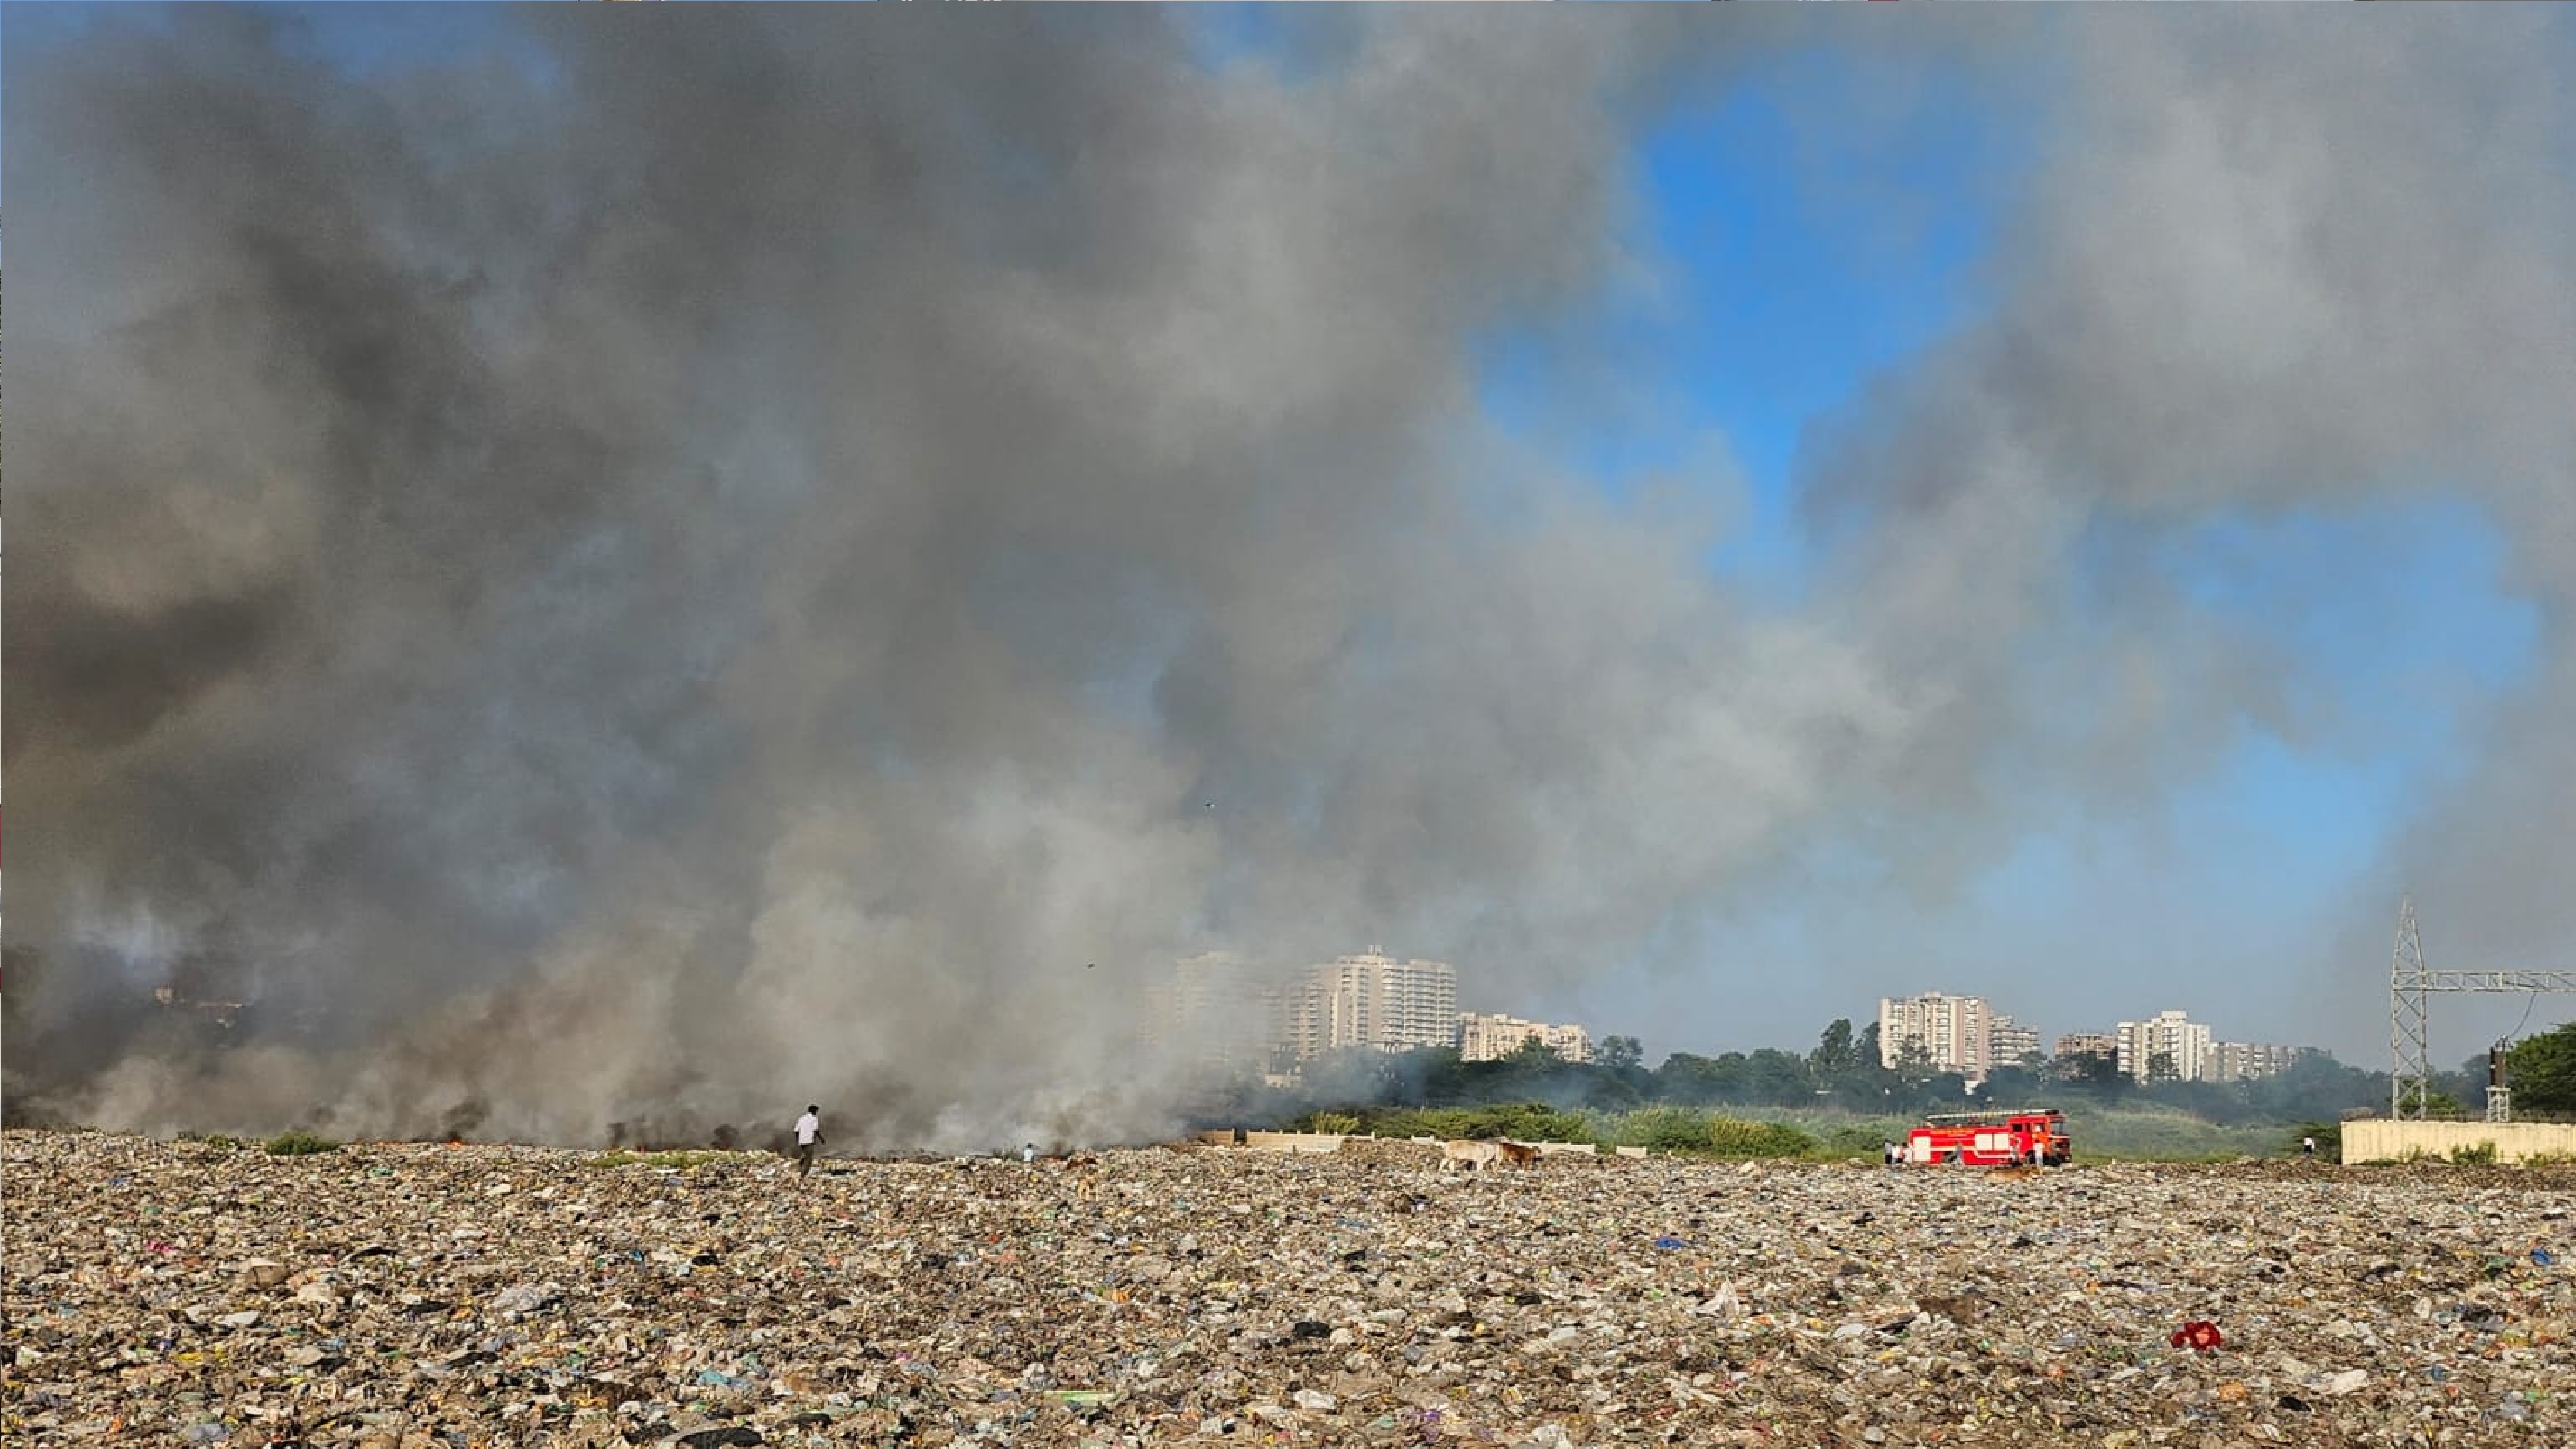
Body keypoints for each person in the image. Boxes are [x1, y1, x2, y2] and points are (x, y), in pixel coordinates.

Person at [794, 1105, 824, 1179]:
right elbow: (816, 1130)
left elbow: (796, 1131)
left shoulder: (801, 1118)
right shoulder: (814, 1119)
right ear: (814, 1111)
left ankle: (800, 1164)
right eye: (816, 1111)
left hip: (801, 1141)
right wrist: (821, 1139)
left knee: (806, 1154)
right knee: (809, 1159)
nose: (816, 1112)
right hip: (809, 1141)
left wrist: (798, 1140)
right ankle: (803, 1175)